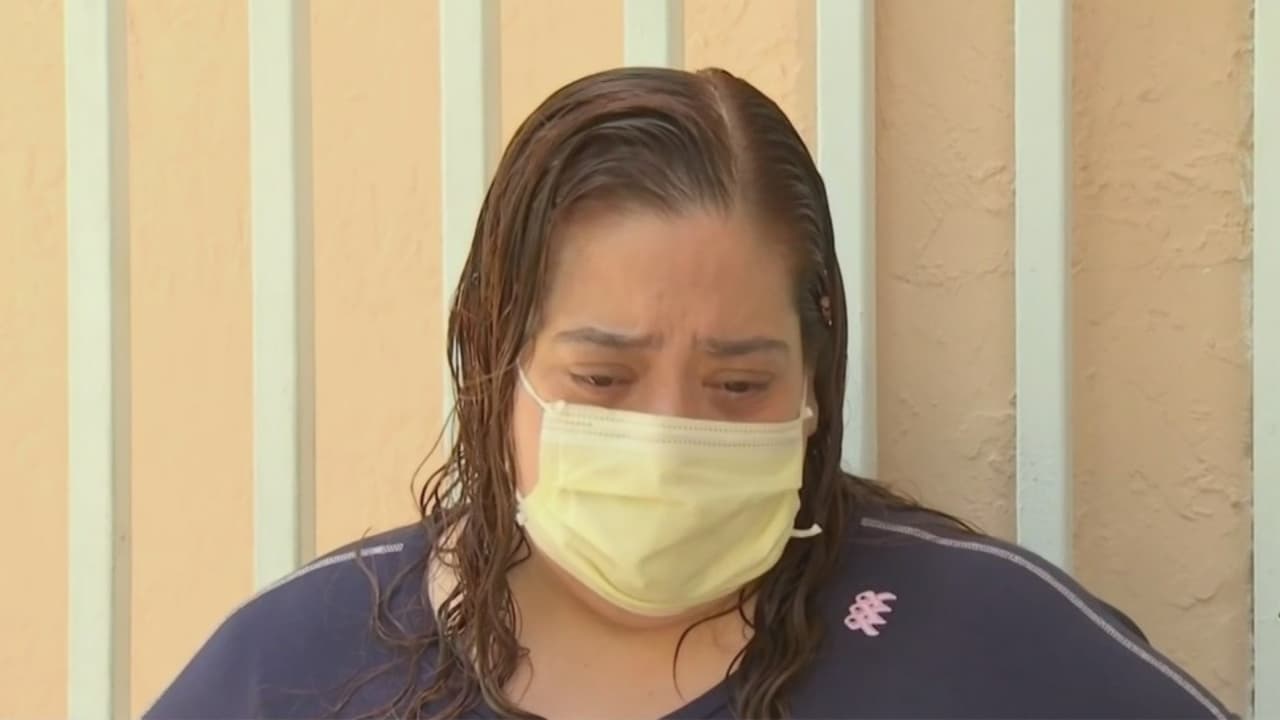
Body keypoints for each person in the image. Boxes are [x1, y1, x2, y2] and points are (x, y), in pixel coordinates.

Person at [145, 67, 1234, 720]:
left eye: (737, 383)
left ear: (814, 382)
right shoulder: (299, 667)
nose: (668, 438)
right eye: (602, 378)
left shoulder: (984, 643)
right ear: (493, 357)